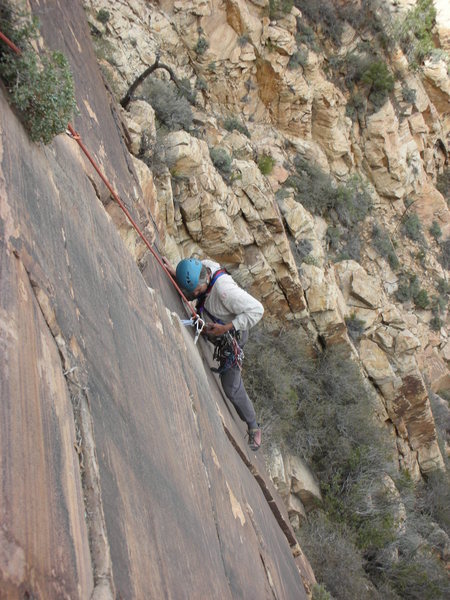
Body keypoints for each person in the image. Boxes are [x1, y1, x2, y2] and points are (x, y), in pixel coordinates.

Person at [164, 256, 263, 451]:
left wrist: (226, 328)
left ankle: (253, 426)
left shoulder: (225, 290)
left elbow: (257, 310)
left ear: (205, 282)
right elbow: (192, 278)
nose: (192, 295)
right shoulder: (203, 267)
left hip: (232, 335)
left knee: (230, 387)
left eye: (196, 292)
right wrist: (178, 273)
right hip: (214, 324)